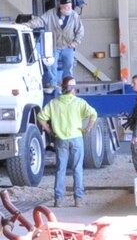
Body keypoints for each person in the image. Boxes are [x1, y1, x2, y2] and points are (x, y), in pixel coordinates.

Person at [37, 75, 96, 206]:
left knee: (60, 170)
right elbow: (93, 114)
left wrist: (49, 130)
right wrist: (87, 129)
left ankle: (58, 199)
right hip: (76, 138)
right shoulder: (79, 102)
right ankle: (78, 199)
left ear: (62, 89)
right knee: (77, 169)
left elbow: (41, 117)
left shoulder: (53, 103)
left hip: (61, 140)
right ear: (73, 89)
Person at [34, 0, 84, 88]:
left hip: (68, 46)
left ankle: (67, 83)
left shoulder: (74, 15)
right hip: (53, 46)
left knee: (69, 65)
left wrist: (75, 42)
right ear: (61, 6)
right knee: (52, 65)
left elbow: (80, 31)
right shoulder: (50, 14)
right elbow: (40, 21)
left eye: (70, 6)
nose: (69, 8)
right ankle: (53, 84)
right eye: (67, 7)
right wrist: (29, 24)